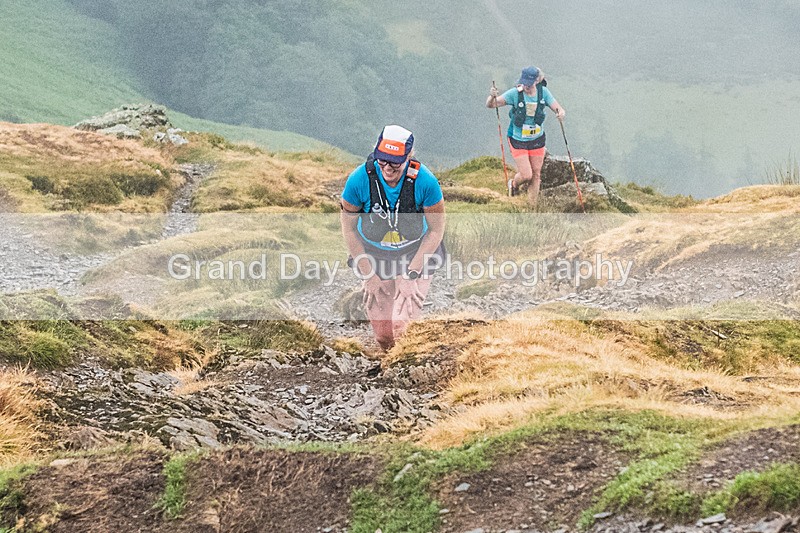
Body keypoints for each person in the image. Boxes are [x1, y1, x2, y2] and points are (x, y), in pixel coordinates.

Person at [340, 125, 446, 350]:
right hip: (375, 254)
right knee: (384, 336)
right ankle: (389, 370)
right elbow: (349, 230)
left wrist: (410, 275)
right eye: (383, 160)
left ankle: (408, 373)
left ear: (408, 156)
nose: (387, 167)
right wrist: (369, 274)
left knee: (402, 326)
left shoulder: (426, 182)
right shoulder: (358, 180)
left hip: (415, 252)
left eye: (394, 162)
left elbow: (436, 231)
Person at [486, 65, 566, 205]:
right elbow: (492, 105)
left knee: (536, 174)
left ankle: (531, 207)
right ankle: (514, 184)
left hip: (537, 139)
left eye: (529, 84)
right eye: (524, 83)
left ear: (536, 81)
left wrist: (560, 114)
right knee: (526, 175)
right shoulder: (515, 93)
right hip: (518, 139)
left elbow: (559, 109)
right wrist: (491, 97)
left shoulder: (543, 93)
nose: (526, 86)